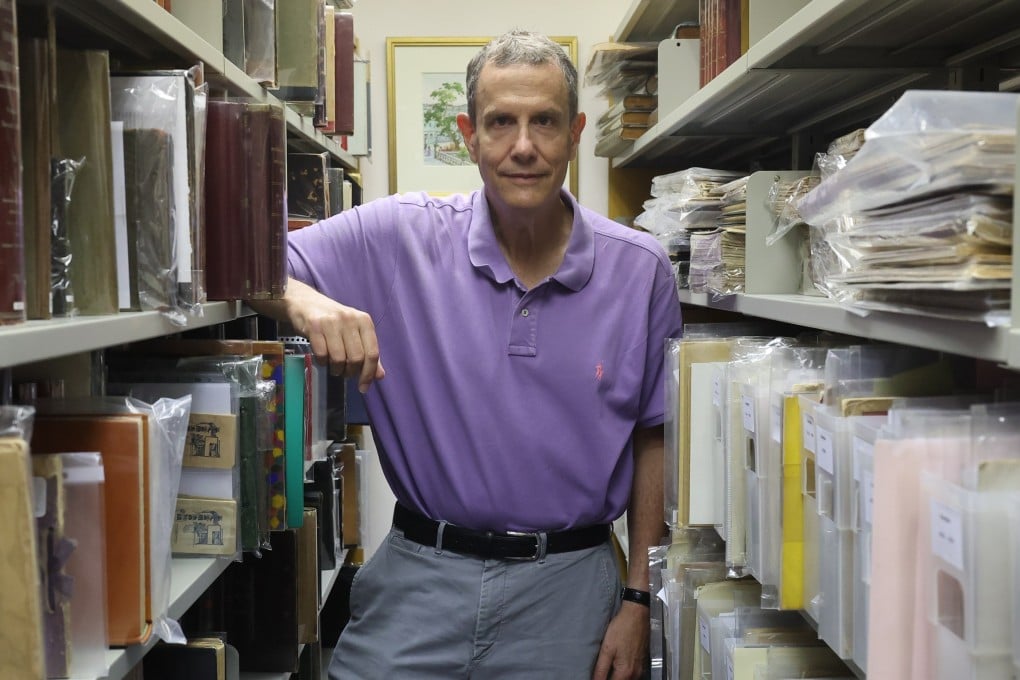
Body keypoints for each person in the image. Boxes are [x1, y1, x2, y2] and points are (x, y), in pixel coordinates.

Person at [251, 29, 683, 679]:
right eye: (500, 122)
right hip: (420, 581)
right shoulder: (399, 236)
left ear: (576, 132)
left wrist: (639, 598)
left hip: (570, 595)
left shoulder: (641, 271)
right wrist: (303, 303)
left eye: (545, 122)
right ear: (468, 134)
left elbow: (655, 441)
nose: (523, 146)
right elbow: (240, 262)